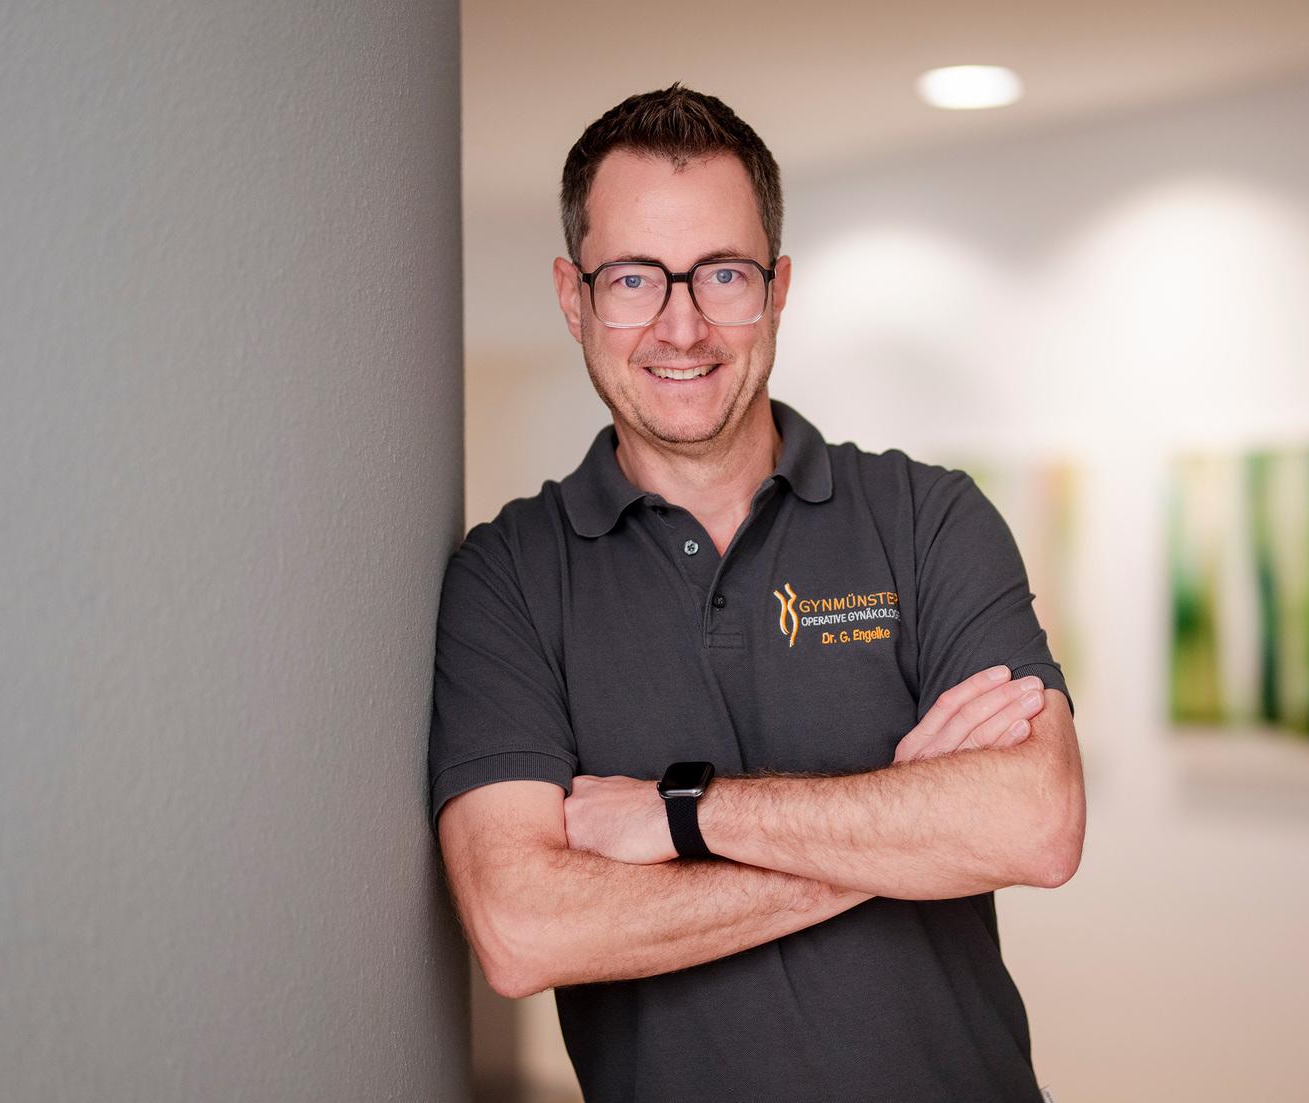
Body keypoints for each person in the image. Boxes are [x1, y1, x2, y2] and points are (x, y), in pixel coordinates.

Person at [429, 84, 1085, 1103]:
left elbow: (1035, 822)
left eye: (722, 273)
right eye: (634, 278)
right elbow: (522, 928)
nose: (682, 326)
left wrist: (682, 817)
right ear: (573, 296)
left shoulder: (927, 516)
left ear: (777, 288)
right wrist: (899, 830)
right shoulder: (507, 577)